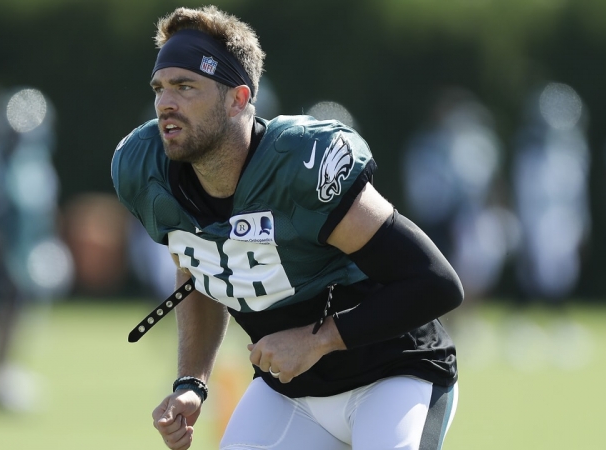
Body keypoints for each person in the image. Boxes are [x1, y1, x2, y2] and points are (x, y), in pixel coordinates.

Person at [111, 6, 464, 450]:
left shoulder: (300, 167)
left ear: (237, 99)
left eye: (185, 87)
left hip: (395, 374)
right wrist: (192, 381)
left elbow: (435, 283)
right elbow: (199, 268)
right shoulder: (146, 169)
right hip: (289, 392)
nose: (165, 102)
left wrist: (318, 339)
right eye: (160, 88)